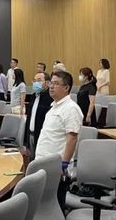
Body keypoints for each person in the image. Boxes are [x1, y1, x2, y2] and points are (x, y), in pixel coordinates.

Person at [35, 71, 83, 212]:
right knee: (44, 207)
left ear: (66, 87)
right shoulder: (54, 107)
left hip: (57, 168)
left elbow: (72, 138)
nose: (51, 86)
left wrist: (64, 164)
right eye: (51, 83)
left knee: (55, 207)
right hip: (43, 163)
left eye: (56, 84)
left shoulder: (71, 108)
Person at [24, 71, 53, 159]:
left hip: (42, 137)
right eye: (34, 80)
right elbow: (29, 117)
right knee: (31, 161)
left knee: (39, 161)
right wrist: (26, 140)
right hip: (30, 135)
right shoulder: (33, 96)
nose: (36, 83)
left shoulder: (51, 99)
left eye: (39, 80)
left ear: (47, 83)